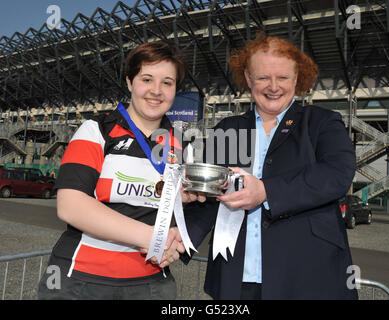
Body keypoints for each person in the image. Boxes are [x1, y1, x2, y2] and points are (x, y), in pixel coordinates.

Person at [182, 33, 358, 300]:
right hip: (236, 280)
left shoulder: (321, 123)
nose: (273, 86)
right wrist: (178, 241)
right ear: (249, 78)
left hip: (307, 280)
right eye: (263, 77)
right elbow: (209, 200)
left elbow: (337, 174)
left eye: (283, 78)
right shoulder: (228, 129)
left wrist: (266, 191)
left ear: (296, 79)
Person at [38, 41, 204, 300]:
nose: (156, 91)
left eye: (167, 83)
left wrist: (181, 213)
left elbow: (179, 211)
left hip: (152, 284)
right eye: (147, 79)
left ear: (176, 90)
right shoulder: (96, 130)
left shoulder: (182, 144)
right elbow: (71, 206)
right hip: (80, 281)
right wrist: (149, 237)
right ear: (129, 82)